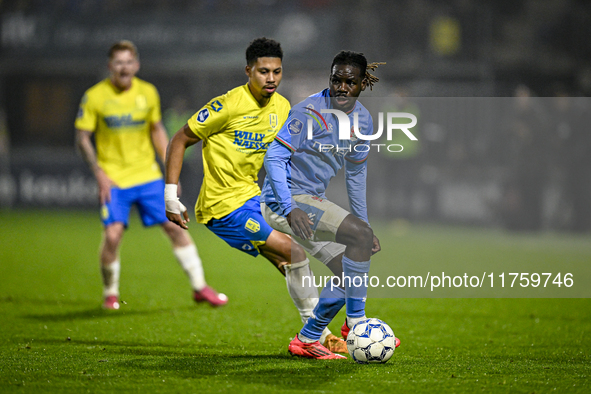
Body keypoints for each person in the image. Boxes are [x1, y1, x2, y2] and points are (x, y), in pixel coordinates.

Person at [164, 37, 347, 354]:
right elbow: (180, 139)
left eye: (277, 71)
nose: (271, 78)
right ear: (248, 71)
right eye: (263, 71)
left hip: (254, 198)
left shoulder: (282, 107)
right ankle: (311, 339)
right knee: (295, 253)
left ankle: (319, 334)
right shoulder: (227, 106)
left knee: (288, 260)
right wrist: (169, 193)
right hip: (222, 207)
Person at [261, 50, 400, 359]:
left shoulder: (363, 120)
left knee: (348, 271)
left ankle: (307, 338)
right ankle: (357, 324)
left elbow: (356, 173)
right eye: (336, 80)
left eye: (349, 82)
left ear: (363, 83)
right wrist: (288, 206)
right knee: (357, 250)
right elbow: (274, 156)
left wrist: (364, 226)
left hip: (308, 201)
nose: (341, 87)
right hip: (284, 200)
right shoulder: (309, 110)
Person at [75, 40, 227, 310]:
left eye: (128, 62)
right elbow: (82, 137)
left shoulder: (148, 92)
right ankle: (110, 293)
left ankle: (200, 287)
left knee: (175, 226)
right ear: (111, 66)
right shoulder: (95, 96)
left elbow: (157, 131)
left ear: (136, 64)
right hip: (115, 180)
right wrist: (98, 172)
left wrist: (172, 172)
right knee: (112, 236)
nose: (124, 68)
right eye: (118, 63)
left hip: (147, 176)